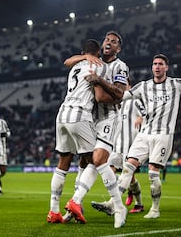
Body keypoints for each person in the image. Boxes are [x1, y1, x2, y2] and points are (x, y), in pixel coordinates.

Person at [97, 54, 181, 219]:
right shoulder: (143, 87)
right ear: (152, 67)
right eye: (155, 64)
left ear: (166, 67)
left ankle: (155, 209)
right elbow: (121, 96)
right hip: (144, 133)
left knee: (153, 174)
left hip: (163, 135)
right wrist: (102, 89)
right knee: (128, 167)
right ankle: (113, 204)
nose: (157, 67)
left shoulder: (175, 84)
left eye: (161, 64)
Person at [64, 31, 129, 228]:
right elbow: (67, 61)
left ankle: (118, 207)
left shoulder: (120, 66)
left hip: (109, 117)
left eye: (114, 42)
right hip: (90, 118)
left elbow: (118, 94)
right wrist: (86, 56)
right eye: (107, 40)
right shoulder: (92, 62)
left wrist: (99, 80)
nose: (109, 42)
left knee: (99, 159)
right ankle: (75, 203)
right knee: (88, 161)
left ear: (118, 48)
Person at [47, 39, 108, 223]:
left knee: (63, 161)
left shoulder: (75, 66)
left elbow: (66, 61)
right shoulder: (98, 66)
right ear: (97, 53)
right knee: (96, 161)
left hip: (62, 114)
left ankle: (54, 211)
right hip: (80, 115)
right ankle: (75, 201)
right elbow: (99, 96)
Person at [91, 79, 146, 214]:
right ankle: (118, 199)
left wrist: (142, 118)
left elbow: (148, 113)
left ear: (130, 86)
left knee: (130, 177)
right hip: (117, 146)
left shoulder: (135, 101)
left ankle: (138, 204)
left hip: (130, 146)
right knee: (109, 171)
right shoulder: (115, 102)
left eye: (124, 85)